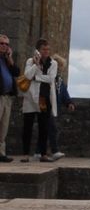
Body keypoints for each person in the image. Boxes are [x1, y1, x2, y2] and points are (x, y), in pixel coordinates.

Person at [21, 39, 57, 162]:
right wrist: (36, 65)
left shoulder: (53, 63)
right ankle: (25, 154)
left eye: (48, 49)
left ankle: (43, 154)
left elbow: (50, 78)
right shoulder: (30, 61)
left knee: (44, 127)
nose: (46, 52)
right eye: (43, 49)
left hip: (44, 98)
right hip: (31, 97)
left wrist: (36, 77)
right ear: (38, 50)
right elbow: (27, 76)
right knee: (27, 127)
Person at [46, 56, 75, 160]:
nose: (60, 68)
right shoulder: (49, 78)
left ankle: (41, 152)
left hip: (55, 110)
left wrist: (69, 103)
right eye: (58, 66)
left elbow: (64, 94)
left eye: (61, 66)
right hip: (47, 108)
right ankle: (54, 151)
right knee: (51, 129)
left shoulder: (60, 81)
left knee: (50, 130)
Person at [0, 34, 20, 163]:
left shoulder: (6, 59)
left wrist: (9, 58)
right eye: (2, 43)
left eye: (7, 44)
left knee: (4, 127)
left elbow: (16, 72)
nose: (4, 46)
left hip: (7, 97)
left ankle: (1, 153)